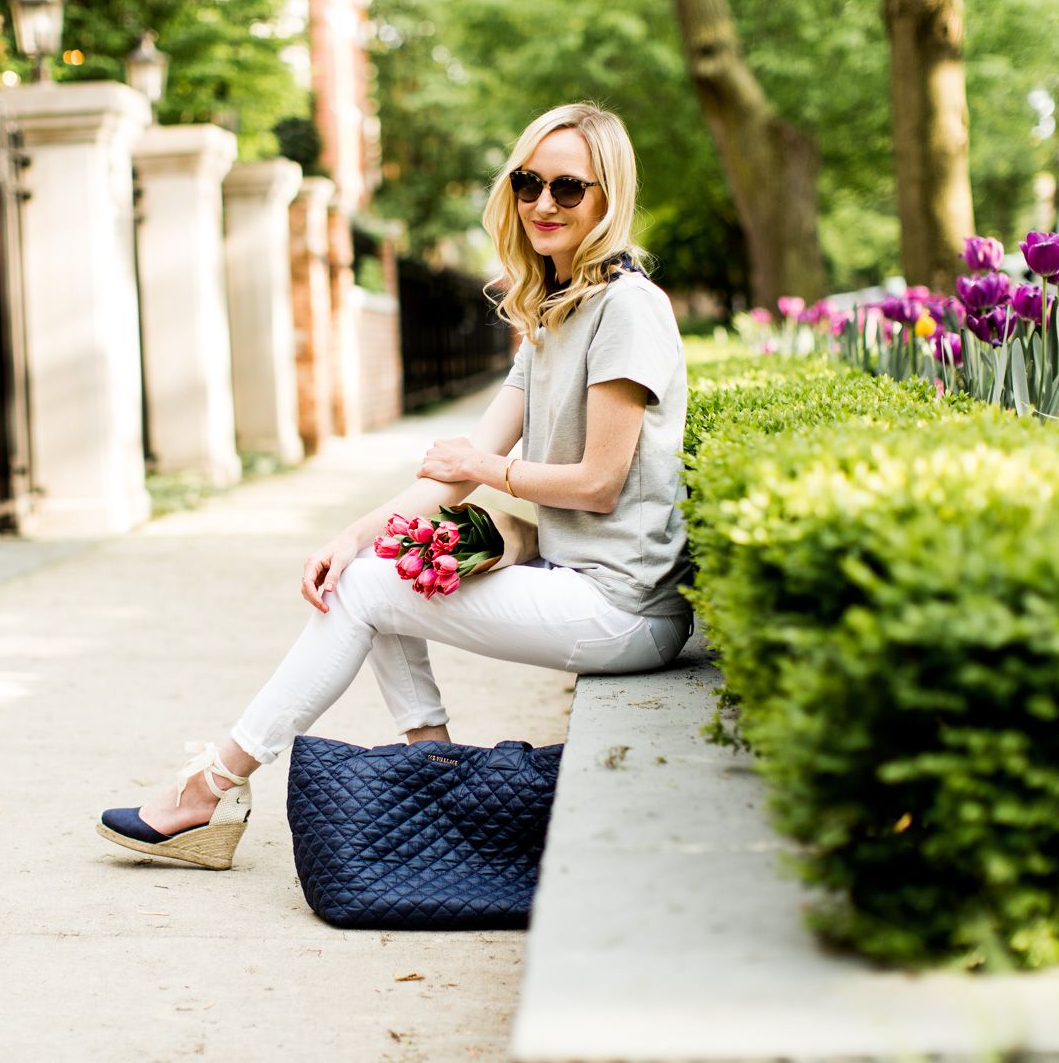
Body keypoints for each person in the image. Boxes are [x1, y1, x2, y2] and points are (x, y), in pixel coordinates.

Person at [98, 103, 692, 870]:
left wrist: (485, 473)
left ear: (608, 196)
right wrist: (348, 537)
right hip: (580, 583)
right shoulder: (553, 313)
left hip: (625, 610)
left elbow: (599, 484)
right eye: (528, 182)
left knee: (372, 590)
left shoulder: (627, 309)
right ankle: (434, 768)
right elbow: (459, 464)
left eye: (568, 188)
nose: (543, 203)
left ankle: (210, 789)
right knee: (383, 563)